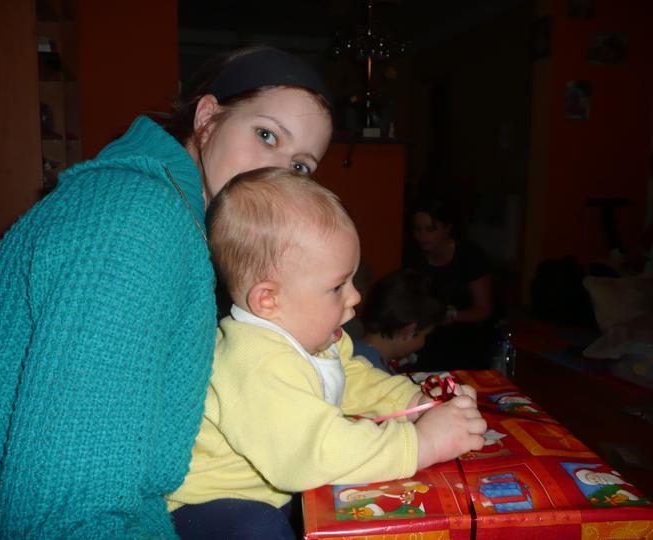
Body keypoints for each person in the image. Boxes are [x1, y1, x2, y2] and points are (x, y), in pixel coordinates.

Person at [0, 46, 333, 538]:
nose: (277, 174)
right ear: (207, 119)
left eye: (300, 167)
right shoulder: (134, 223)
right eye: (266, 135)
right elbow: (68, 515)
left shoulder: (186, 225)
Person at [167, 168, 487, 539]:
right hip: (207, 506)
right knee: (259, 529)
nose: (355, 296)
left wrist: (417, 402)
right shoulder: (256, 363)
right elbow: (314, 452)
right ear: (269, 300)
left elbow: (352, 379)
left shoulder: (314, 338)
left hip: (275, 486)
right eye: (337, 287)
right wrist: (422, 444)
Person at [407, 198, 497, 371]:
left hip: (468, 337)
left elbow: (484, 309)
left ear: (447, 228)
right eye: (418, 230)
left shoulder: (470, 256)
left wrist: (450, 315)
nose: (422, 236)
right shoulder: (413, 257)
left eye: (430, 229)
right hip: (427, 337)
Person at [353, 268, 447, 374]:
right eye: (425, 335)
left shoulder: (350, 348)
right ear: (408, 332)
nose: (423, 342)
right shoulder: (379, 377)